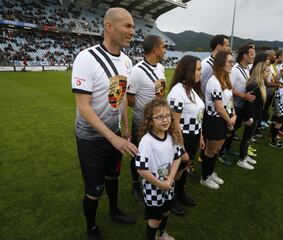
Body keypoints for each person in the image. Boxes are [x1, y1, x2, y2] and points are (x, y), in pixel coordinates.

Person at [71, 8, 138, 240]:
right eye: (127, 26)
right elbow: (83, 107)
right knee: (94, 189)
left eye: (133, 26)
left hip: (116, 133)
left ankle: (114, 211)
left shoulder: (128, 62)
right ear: (109, 27)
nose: (133, 31)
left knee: (113, 177)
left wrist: (125, 127)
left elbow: (118, 98)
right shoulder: (86, 58)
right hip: (91, 137)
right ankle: (91, 228)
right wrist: (113, 137)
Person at [136, 99, 184, 240]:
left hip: (168, 183)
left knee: (166, 211)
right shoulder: (146, 141)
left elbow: (177, 157)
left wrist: (170, 178)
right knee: (155, 219)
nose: (165, 120)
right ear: (150, 121)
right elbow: (141, 169)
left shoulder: (171, 136)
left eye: (168, 116)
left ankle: (161, 234)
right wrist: (160, 184)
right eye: (159, 117)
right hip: (153, 186)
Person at [127, 35, 167, 203]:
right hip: (141, 121)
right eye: (163, 47)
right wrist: (146, 111)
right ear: (155, 49)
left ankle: (152, 180)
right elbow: (129, 100)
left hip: (158, 120)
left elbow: (160, 93)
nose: (165, 50)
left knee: (155, 151)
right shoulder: (137, 71)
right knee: (138, 153)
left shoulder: (161, 68)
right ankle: (136, 184)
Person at [167, 55, 205, 215]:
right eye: (198, 70)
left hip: (193, 136)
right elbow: (174, 124)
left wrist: (201, 136)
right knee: (176, 170)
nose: (200, 73)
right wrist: (181, 148)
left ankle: (180, 192)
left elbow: (198, 117)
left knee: (184, 168)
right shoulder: (177, 92)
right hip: (181, 137)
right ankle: (171, 198)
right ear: (188, 71)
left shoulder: (192, 90)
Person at [201, 50, 236, 189]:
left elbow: (230, 100)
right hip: (214, 120)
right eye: (229, 62)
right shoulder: (214, 81)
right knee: (210, 151)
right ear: (221, 63)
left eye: (232, 61)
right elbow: (219, 107)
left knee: (217, 150)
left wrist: (234, 114)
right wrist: (229, 120)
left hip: (224, 119)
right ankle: (205, 177)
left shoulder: (225, 79)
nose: (232, 64)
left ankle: (210, 173)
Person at [218, 44, 256, 165]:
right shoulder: (235, 70)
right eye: (251, 54)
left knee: (234, 130)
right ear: (244, 55)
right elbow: (229, 87)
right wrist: (243, 95)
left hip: (241, 105)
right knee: (229, 130)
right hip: (234, 105)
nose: (253, 56)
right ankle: (220, 153)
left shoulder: (247, 68)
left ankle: (227, 148)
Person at [237, 62, 270, 170]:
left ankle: (245, 156)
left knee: (249, 137)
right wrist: (249, 117)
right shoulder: (254, 85)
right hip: (252, 116)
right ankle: (241, 160)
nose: (269, 73)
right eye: (267, 71)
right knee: (246, 138)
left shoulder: (260, 83)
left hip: (256, 115)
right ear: (260, 72)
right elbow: (249, 102)